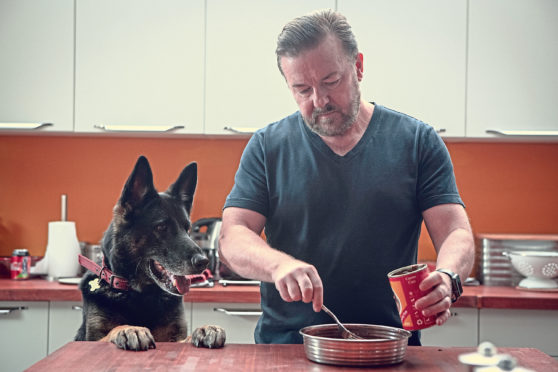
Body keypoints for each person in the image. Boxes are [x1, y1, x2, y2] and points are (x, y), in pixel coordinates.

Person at [218, 9, 474, 346]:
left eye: (330, 82)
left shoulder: (416, 141)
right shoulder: (267, 146)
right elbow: (232, 236)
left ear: (359, 66)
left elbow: (455, 230)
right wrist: (277, 265)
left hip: (388, 347)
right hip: (286, 350)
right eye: (302, 89)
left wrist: (448, 277)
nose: (319, 101)